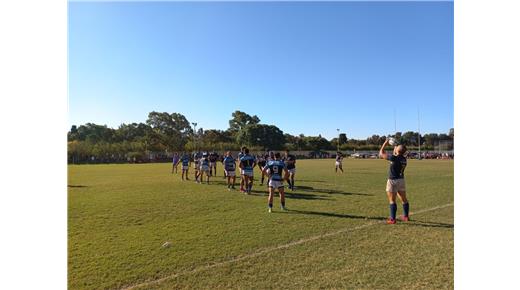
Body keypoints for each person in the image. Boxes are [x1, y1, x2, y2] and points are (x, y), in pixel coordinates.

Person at [379, 138, 410, 224]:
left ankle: (392, 219)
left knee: (392, 200)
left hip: (393, 181)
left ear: (398, 150)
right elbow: (396, 154)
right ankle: (406, 216)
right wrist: (396, 147)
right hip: (401, 180)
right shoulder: (404, 159)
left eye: (397, 147)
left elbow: (381, 153)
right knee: (404, 199)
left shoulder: (394, 158)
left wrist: (385, 143)